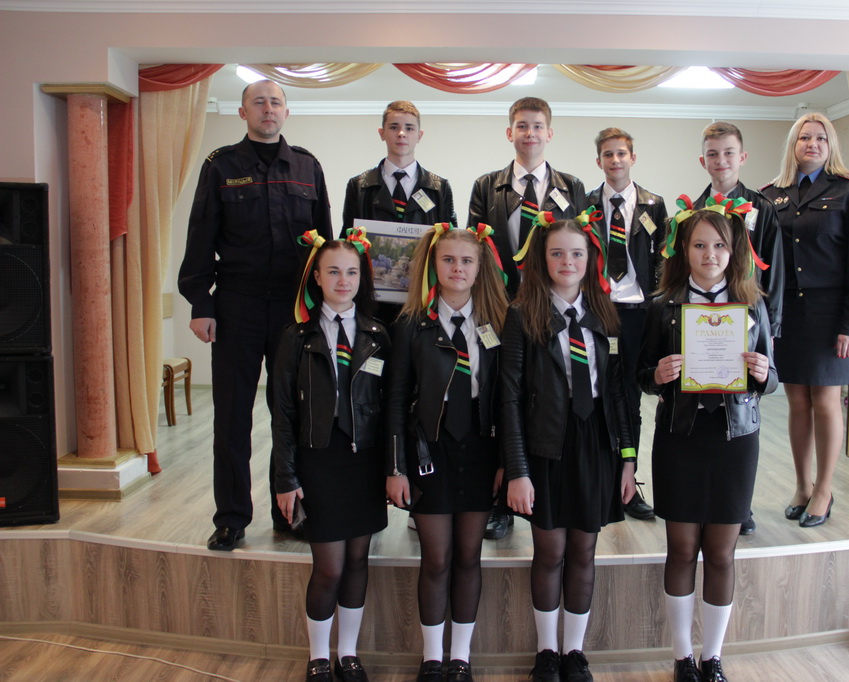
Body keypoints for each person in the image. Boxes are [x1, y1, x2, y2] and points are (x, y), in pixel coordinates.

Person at [178, 79, 332, 551]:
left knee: (293, 414)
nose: (268, 109)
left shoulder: (307, 166)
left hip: (293, 308)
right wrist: (201, 304)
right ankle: (231, 517)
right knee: (231, 418)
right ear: (243, 112)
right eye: (259, 102)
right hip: (236, 306)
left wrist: (324, 308)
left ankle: (289, 513)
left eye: (276, 102)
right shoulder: (221, 166)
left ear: (286, 112)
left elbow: (324, 243)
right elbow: (200, 237)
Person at [637, 201, 777, 682]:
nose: (710, 254)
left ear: (734, 251)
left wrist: (764, 373)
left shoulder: (752, 305)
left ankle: (712, 657)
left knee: (720, 552)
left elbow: (772, 378)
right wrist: (656, 374)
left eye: (719, 245)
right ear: (684, 250)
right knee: (681, 549)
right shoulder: (663, 305)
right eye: (699, 245)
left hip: (736, 439)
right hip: (681, 437)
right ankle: (682, 658)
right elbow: (641, 375)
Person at [501, 212, 637, 682]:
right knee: (550, 550)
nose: (567, 261)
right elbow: (510, 397)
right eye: (557, 253)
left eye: (577, 253)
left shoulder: (605, 315)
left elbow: (617, 395)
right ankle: (546, 652)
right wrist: (518, 469)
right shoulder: (522, 315)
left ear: (589, 258)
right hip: (547, 444)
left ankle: (574, 652)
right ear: (542, 258)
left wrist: (627, 460)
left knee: (584, 549)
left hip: (595, 442)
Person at [385, 223, 509, 682]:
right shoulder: (411, 325)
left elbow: (508, 400)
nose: (458, 268)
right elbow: (396, 400)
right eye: (449, 260)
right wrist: (396, 467)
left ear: (480, 268)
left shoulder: (498, 323)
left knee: (469, 557)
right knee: (436, 559)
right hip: (429, 453)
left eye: (467, 261)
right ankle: (432, 657)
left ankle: (461, 658)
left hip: (480, 451)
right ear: (433, 265)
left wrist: (507, 463)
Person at [272, 229, 390, 682]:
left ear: (362, 278)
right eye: (334, 271)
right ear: (316, 277)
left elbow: (390, 409)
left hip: (363, 462)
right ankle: (318, 655)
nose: (343, 281)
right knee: (329, 566)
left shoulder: (378, 335)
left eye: (352, 272)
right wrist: (285, 477)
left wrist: (392, 468)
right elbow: (283, 415)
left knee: (358, 561)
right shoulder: (295, 337)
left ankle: (348, 654)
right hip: (317, 461)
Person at [468, 96, 587, 540]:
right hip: (503, 308)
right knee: (501, 396)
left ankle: (551, 486)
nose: (530, 133)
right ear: (510, 132)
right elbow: (480, 249)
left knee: (547, 397)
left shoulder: (572, 185)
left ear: (549, 133)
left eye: (537, 126)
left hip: (553, 309)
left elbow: (579, 247)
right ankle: (499, 500)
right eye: (522, 125)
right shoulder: (487, 185)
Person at [761, 113, 849, 528]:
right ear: (793, 145)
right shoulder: (772, 195)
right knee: (797, 402)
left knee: (826, 401)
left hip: (830, 316)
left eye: (821, 138)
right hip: (788, 314)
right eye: (805, 137)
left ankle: (824, 490)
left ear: (831, 146)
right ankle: (802, 485)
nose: (812, 144)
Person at [694, 121, 786, 536]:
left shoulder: (761, 208)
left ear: (742, 157)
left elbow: (775, 270)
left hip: (749, 321)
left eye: (728, 153)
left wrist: (771, 327)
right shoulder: (695, 210)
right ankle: (702, 495)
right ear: (703, 161)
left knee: (743, 412)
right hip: (705, 321)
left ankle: (739, 503)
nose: (721, 161)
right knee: (707, 412)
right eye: (713, 154)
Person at [585, 127, 667, 522]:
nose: (615, 160)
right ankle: (601, 477)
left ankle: (629, 482)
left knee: (631, 396)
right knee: (598, 392)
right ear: (598, 160)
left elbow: (665, 261)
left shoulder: (654, 205)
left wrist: (659, 308)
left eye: (621, 153)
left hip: (638, 313)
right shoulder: (585, 205)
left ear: (632, 158)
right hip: (599, 311)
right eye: (608, 154)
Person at [342, 100, 458, 329]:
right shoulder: (358, 186)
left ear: (420, 135)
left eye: (409, 128)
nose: (402, 133)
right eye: (394, 127)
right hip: (372, 302)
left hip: (422, 300)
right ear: (382, 133)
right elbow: (347, 242)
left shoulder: (439, 187)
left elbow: (450, 243)